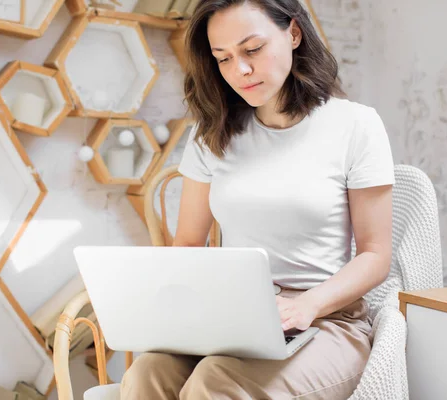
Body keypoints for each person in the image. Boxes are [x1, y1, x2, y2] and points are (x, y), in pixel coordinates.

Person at [121, 0, 394, 398]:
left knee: (214, 383)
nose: (240, 71)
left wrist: (308, 305)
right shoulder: (213, 134)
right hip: (235, 317)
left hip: (326, 322)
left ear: (294, 33)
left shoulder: (355, 125)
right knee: (148, 372)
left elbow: (375, 256)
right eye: (224, 58)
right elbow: (187, 246)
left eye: (252, 50)